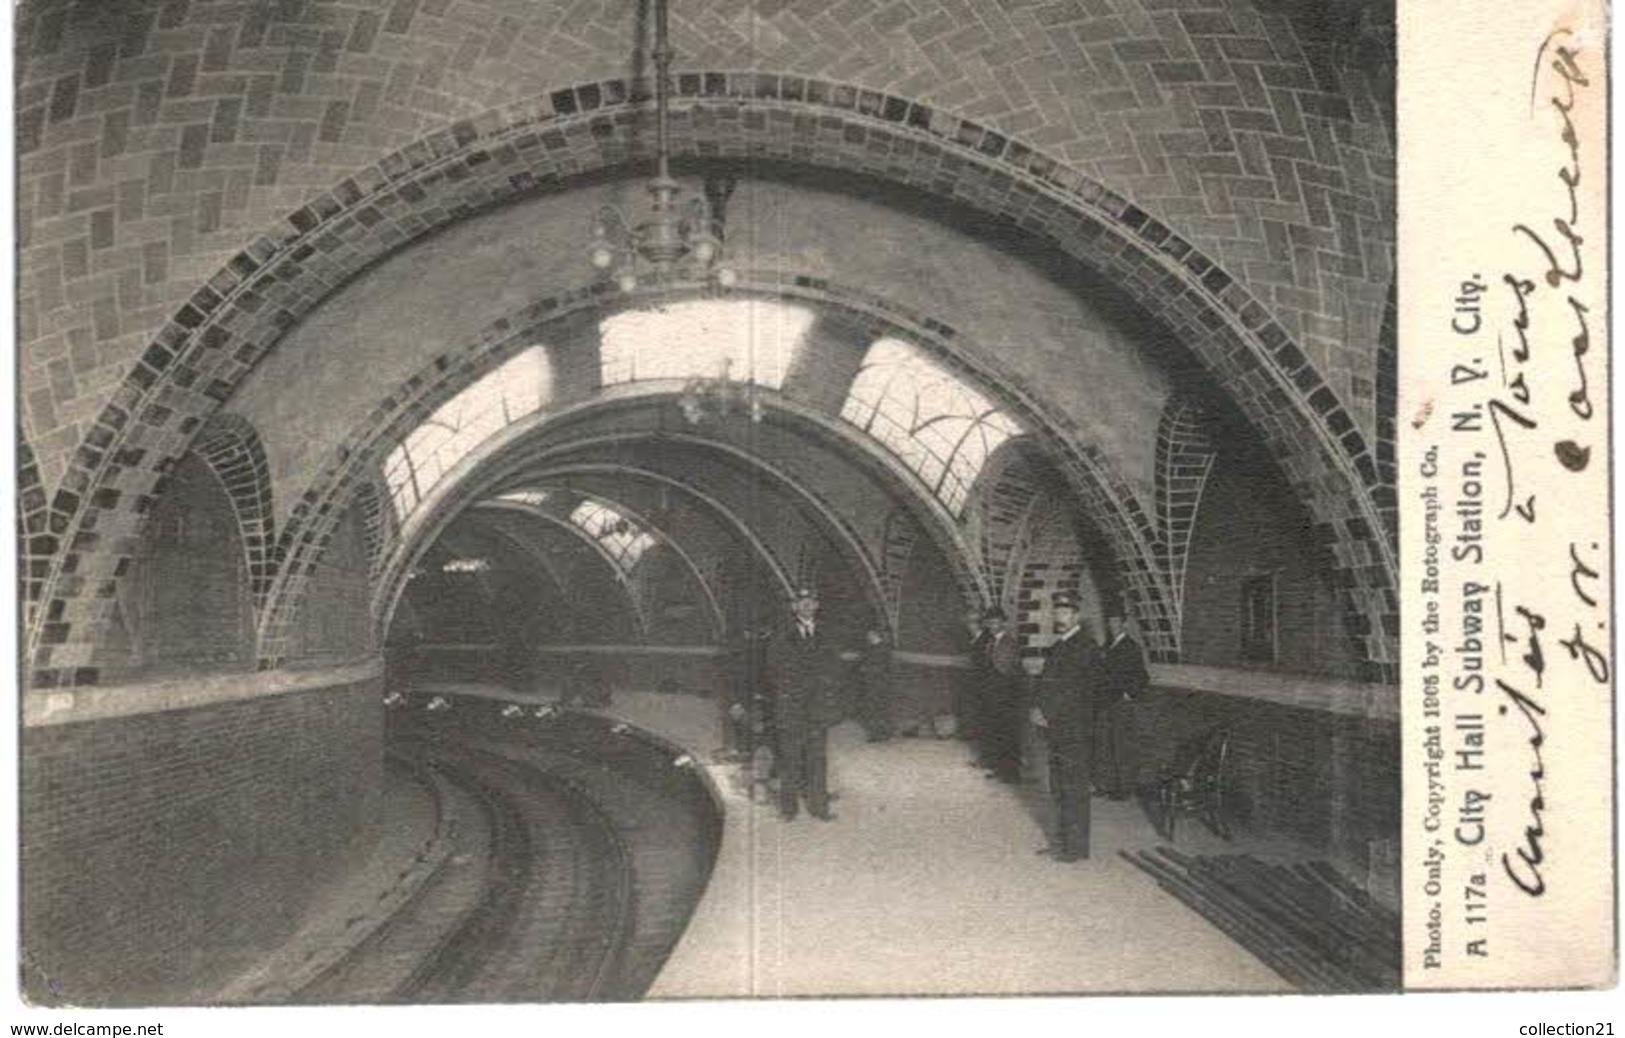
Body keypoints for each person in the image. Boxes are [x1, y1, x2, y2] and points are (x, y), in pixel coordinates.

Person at [1029, 591, 1100, 862]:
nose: (1060, 617)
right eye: (1057, 613)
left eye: (1065, 613)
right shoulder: (1060, 646)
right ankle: (1061, 843)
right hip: (1058, 727)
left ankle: (1076, 849)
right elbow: (1045, 682)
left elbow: (1072, 690)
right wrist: (1037, 707)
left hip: (1074, 729)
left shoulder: (1085, 647)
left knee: (1074, 788)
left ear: (1076, 616)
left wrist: (1046, 711)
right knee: (1058, 786)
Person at [767, 588, 842, 821]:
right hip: (791, 708)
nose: (806, 606)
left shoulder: (827, 634)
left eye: (810, 602)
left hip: (817, 709)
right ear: (794, 607)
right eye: (801, 603)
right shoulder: (781, 635)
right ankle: (789, 810)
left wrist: (828, 697)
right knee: (790, 760)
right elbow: (772, 670)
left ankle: (820, 808)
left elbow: (835, 668)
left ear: (817, 605)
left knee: (817, 759)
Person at [1096, 611, 1150, 800]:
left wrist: (1129, 694)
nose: (1112, 625)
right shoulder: (1108, 646)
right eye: (1109, 621)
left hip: (1120, 703)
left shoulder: (1130, 647)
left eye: (1116, 621)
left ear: (1125, 624)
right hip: (1106, 702)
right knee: (1105, 744)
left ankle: (1124, 788)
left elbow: (1142, 677)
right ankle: (1107, 785)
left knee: (1121, 746)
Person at [970, 606, 1023, 782]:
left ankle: (1010, 773)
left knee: (1007, 735)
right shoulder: (991, 642)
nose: (992, 625)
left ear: (1004, 623)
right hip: (992, 696)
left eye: (996, 622)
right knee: (996, 733)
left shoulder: (1008, 643)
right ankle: (1000, 769)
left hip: (1004, 697)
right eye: (990, 622)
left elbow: (1005, 670)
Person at [854, 627, 894, 742]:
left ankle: (881, 734)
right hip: (873, 682)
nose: (868, 637)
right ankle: (878, 733)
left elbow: (883, 666)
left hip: (879, 683)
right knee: (874, 709)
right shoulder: (872, 648)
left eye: (870, 634)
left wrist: (867, 668)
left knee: (878, 709)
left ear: (876, 635)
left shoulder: (883, 649)